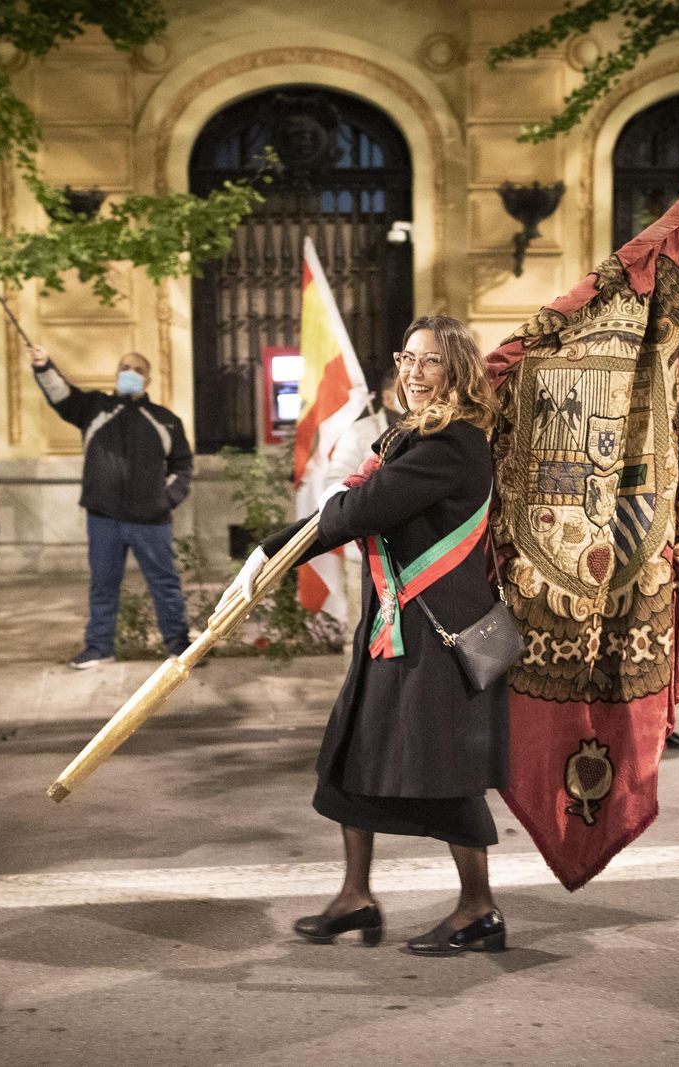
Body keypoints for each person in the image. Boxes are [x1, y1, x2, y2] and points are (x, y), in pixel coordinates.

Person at [227, 314, 511, 955]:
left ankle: (479, 909)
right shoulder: (408, 437)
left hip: (441, 640)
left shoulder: (454, 443)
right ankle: (356, 897)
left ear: (457, 370)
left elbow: (361, 510)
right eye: (406, 358)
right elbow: (363, 498)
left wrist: (267, 555)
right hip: (394, 628)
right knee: (353, 755)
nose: (413, 372)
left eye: (430, 360)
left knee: (446, 771)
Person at [29, 344, 193, 668]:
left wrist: (165, 499)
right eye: (124, 367)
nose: (129, 373)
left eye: (137, 369)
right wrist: (44, 365)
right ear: (116, 375)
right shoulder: (93, 408)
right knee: (103, 585)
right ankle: (99, 647)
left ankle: (179, 646)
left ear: (148, 380)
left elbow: (183, 467)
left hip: (151, 520)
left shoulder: (165, 420)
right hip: (104, 517)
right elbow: (61, 393)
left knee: (165, 584)